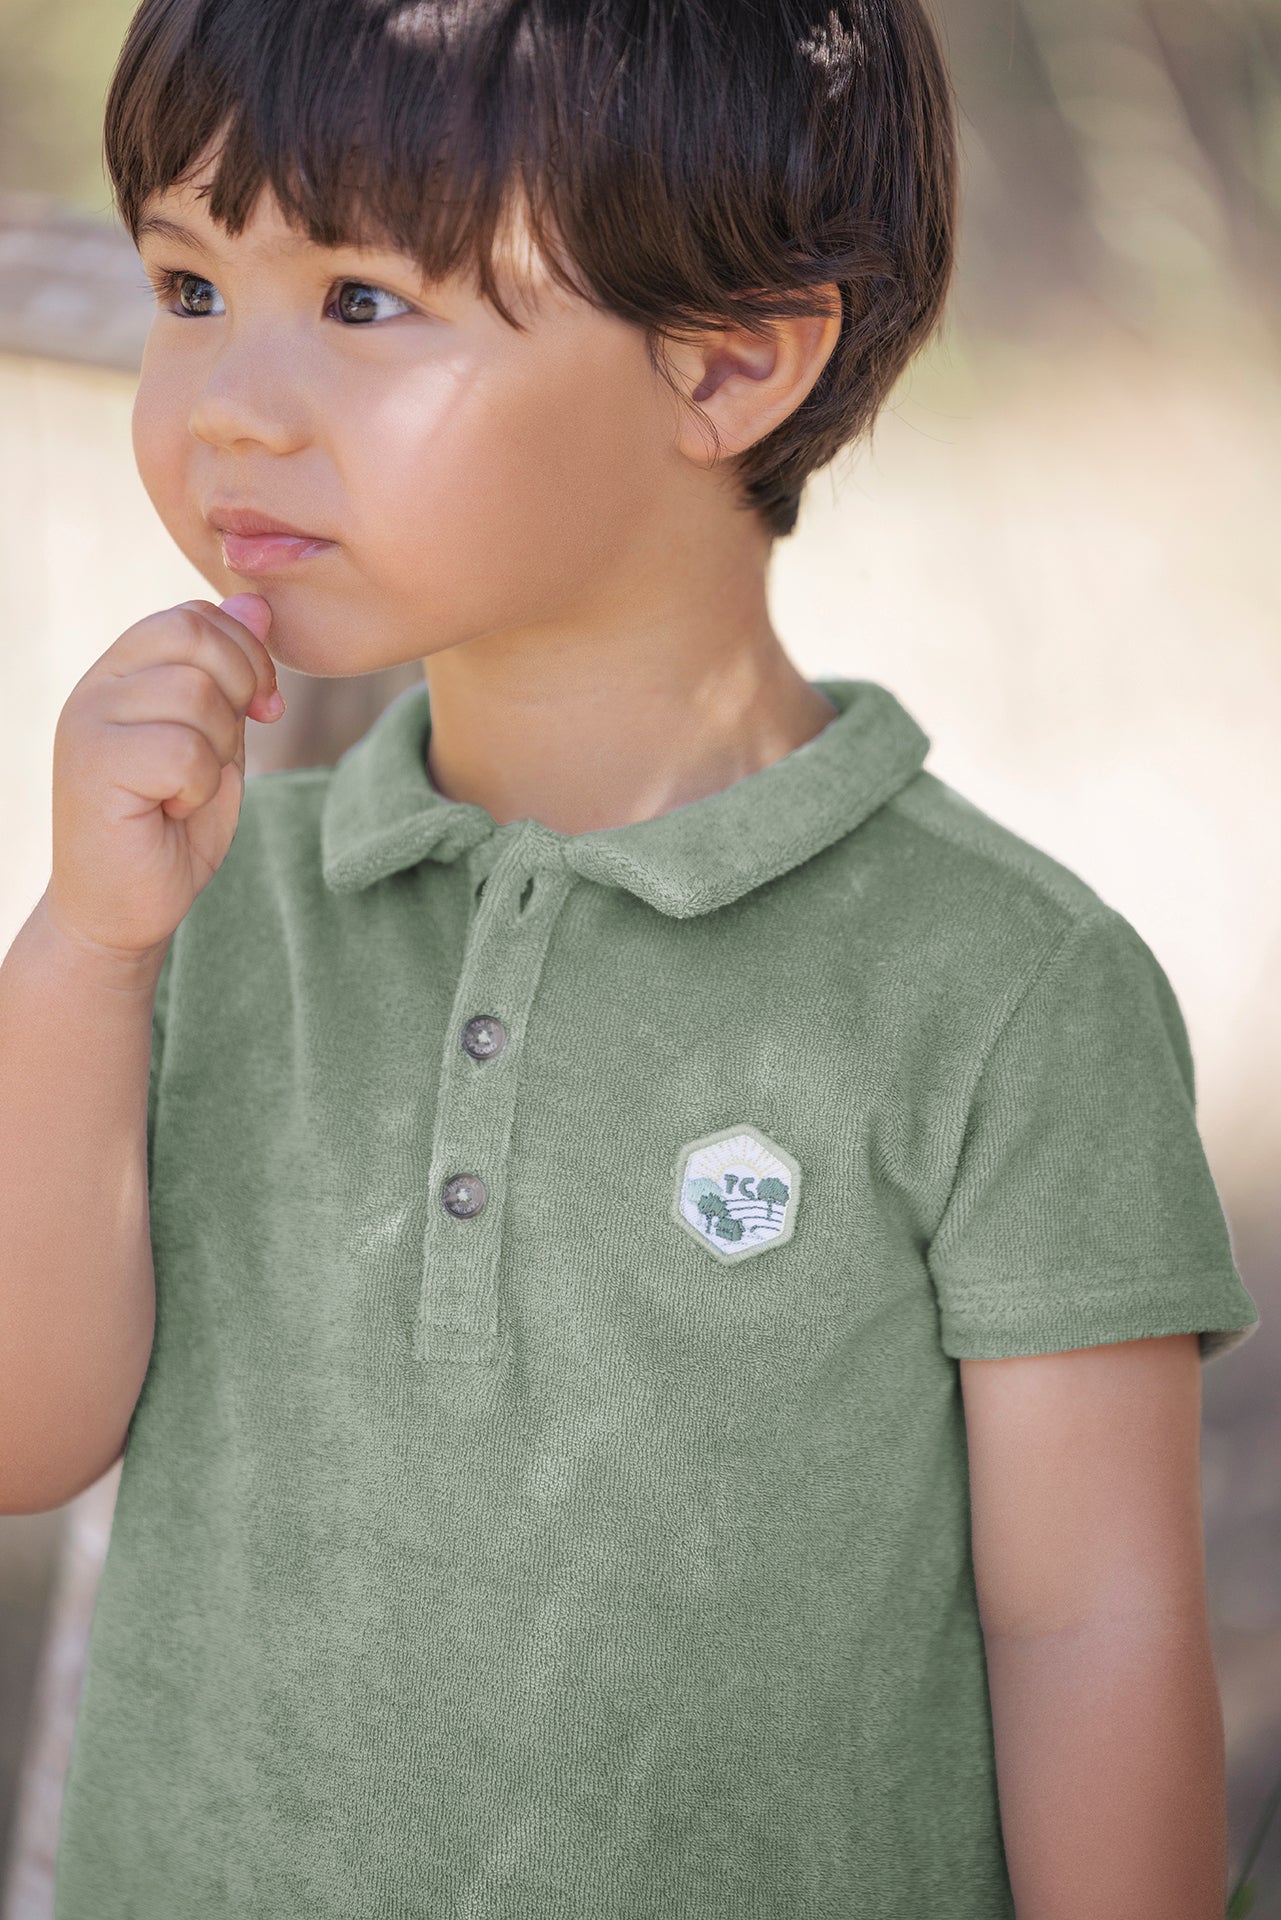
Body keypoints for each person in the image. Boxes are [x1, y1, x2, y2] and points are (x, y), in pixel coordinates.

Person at [0, 0, 1260, 1915]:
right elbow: (26, 1435)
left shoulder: (1003, 991)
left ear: (729, 360)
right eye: (188, 287)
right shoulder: (211, 906)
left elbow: (1088, 1629)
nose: (226, 406)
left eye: (359, 300)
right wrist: (86, 950)